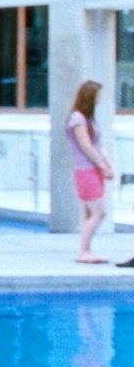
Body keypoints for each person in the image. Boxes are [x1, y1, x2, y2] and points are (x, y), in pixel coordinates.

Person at [66, 80, 118, 265]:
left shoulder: (88, 119)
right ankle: (83, 250)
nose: (99, 99)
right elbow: (86, 145)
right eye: (97, 96)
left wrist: (107, 165)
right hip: (85, 170)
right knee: (99, 212)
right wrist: (102, 165)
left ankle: (86, 249)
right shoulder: (77, 118)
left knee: (89, 213)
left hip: (93, 169)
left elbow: (98, 145)